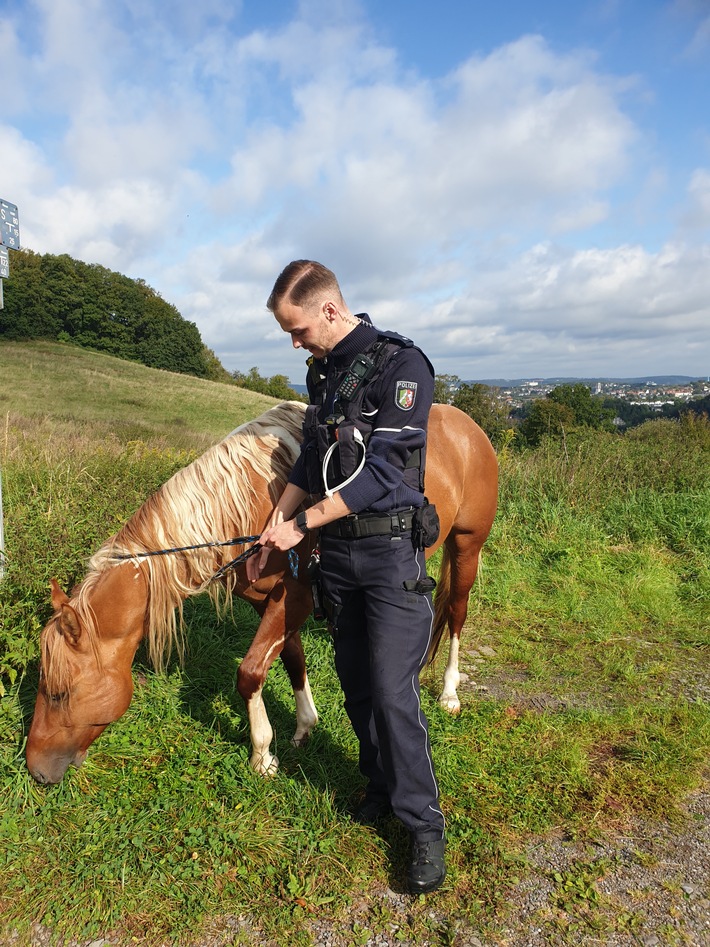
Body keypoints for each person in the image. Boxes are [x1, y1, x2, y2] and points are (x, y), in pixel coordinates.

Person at [246, 260, 445, 893]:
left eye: (298, 329)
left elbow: (385, 471)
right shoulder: (323, 372)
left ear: (330, 310)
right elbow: (312, 455)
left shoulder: (402, 366)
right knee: (356, 684)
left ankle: (423, 828)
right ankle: (381, 786)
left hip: (390, 557)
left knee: (391, 691)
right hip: (338, 558)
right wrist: (275, 524)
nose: (295, 342)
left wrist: (301, 522)